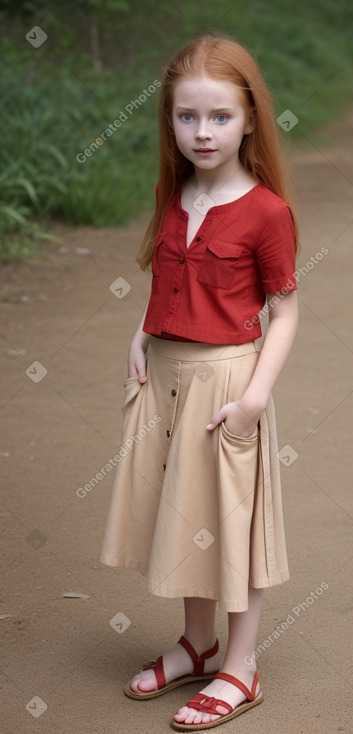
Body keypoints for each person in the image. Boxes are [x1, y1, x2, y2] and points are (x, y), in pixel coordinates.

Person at [100, 33, 299, 731]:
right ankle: (198, 643)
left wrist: (253, 398)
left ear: (248, 119)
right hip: (164, 379)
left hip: (226, 388)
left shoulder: (266, 212)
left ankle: (240, 667)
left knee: (230, 523)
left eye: (219, 116)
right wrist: (143, 329)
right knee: (184, 518)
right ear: (169, 121)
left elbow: (284, 310)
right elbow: (170, 277)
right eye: (187, 117)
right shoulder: (173, 190)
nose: (202, 131)